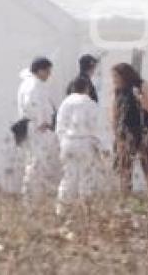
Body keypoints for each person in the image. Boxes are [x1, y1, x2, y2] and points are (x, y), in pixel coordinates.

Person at [55, 76, 103, 214]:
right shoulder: (91, 104)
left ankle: (62, 210)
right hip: (85, 142)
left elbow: (59, 126)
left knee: (68, 177)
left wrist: (62, 143)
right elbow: (96, 127)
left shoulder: (65, 103)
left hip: (68, 142)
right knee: (86, 177)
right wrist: (102, 147)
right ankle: (85, 210)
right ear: (87, 88)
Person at [110, 63, 148, 194]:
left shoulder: (141, 85)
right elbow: (115, 111)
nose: (114, 80)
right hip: (124, 132)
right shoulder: (118, 90)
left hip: (142, 130)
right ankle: (125, 193)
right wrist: (115, 130)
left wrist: (139, 98)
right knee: (124, 165)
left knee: (147, 163)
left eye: (116, 76)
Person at [17, 57, 60, 200]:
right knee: (37, 162)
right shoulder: (33, 85)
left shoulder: (33, 83)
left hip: (35, 126)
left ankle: (35, 194)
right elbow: (32, 103)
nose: (49, 74)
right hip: (37, 127)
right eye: (47, 71)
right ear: (40, 70)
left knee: (37, 162)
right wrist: (42, 121)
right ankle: (30, 196)